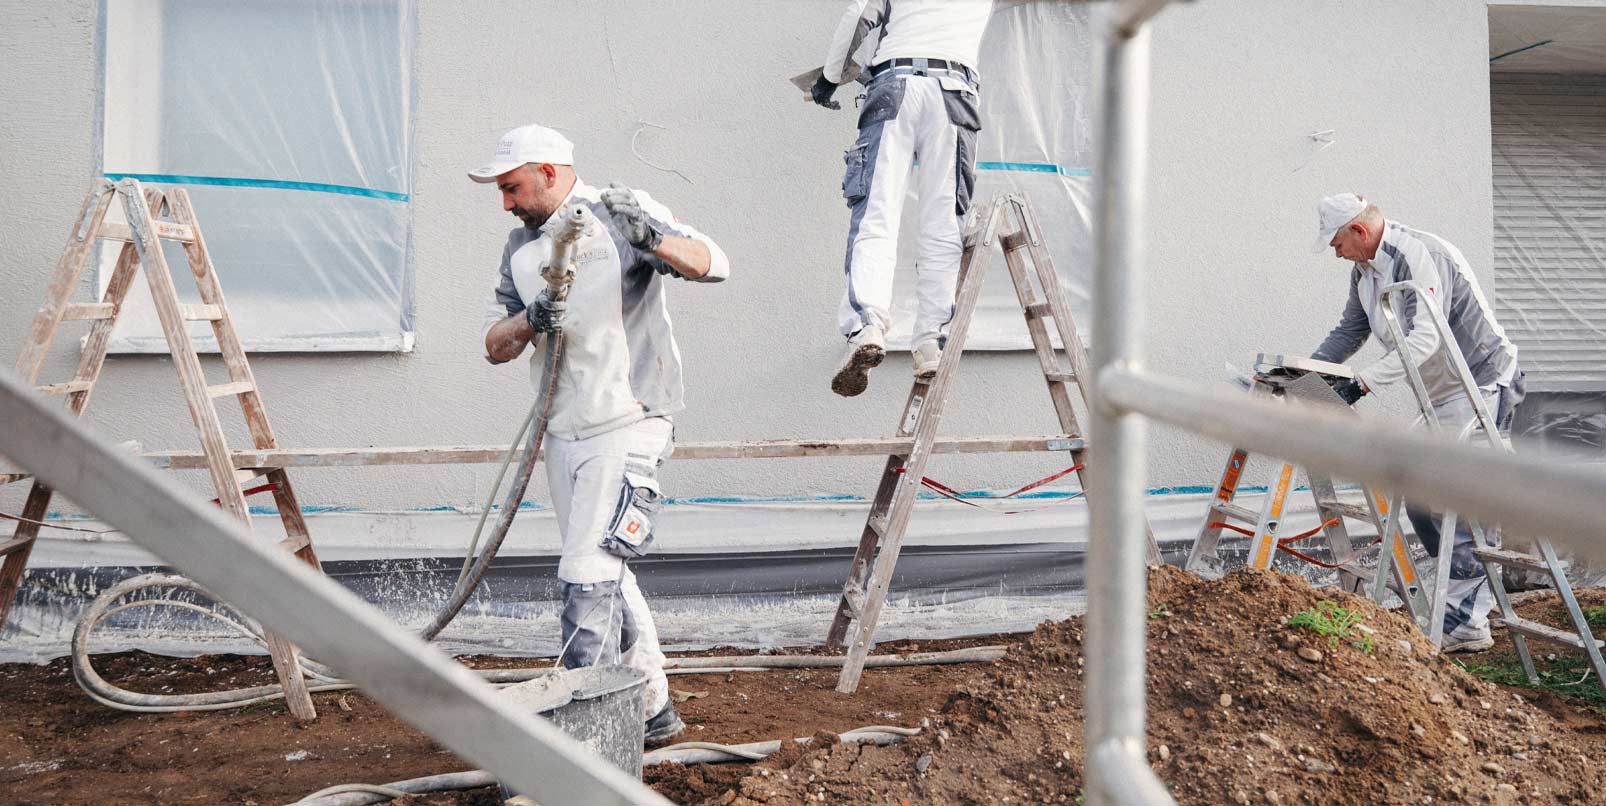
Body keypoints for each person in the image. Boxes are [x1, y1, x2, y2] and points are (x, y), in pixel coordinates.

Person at [473, 124, 730, 746]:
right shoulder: (520, 248)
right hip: (563, 427)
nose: (505, 202)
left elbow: (714, 265)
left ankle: (580, 735)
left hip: (632, 416)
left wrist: (652, 237)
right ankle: (652, 711)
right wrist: (530, 319)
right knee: (609, 568)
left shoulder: (621, 213)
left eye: (513, 188)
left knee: (586, 572)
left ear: (551, 172)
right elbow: (494, 347)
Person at [1309, 192, 1524, 653]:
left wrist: (1363, 384)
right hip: (1441, 393)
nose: (1335, 252)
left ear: (1359, 231)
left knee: (1463, 497)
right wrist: (1307, 374)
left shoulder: (1418, 255)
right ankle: (1463, 608)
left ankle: (1468, 619)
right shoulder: (1364, 272)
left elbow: (1425, 338)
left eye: (1336, 243)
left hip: (1482, 384)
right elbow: (1350, 331)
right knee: (1421, 497)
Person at [810, 0, 997, 396]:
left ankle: (867, 328)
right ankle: (930, 342)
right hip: (955, 93)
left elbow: (860, 14)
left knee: (876, 215)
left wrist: (828, 78)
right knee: (943, 224)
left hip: (895, 85)